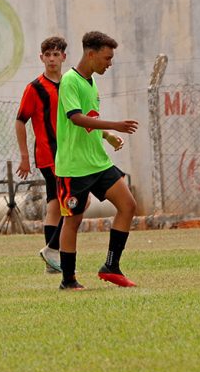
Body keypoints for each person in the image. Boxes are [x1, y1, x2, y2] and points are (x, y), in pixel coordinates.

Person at [55, 31, 139, 291]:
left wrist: (107, 135)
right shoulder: (70, 80)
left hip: (98, 162)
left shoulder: (90, 82)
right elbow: (76, 118)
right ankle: (68, 280)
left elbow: (89, 119)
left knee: (127, 205)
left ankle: (111, 266)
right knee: (73, 220)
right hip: (74, 166)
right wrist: (115, 124)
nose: (110, 63)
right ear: (91, 54)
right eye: (107, 58)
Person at [15, 36, 67, 274]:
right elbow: (20, 121)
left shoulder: (69, 83)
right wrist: (24, 157)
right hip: (49, 155)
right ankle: (52, 250)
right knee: (74, 200)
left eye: (56, 54)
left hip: (69, 153)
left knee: (56, 203)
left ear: (63, 57)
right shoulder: (35, 88)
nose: (52, 59)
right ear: (41, 58)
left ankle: (52, 259)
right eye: (48, 55)